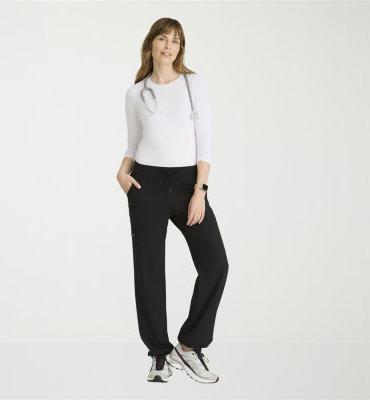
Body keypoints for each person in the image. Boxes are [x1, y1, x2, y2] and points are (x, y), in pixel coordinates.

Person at [116, 18, 229, 384]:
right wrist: (122, 173)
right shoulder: (136, 93)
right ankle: (159, 355)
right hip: (145, 183)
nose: (169, 45)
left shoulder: (195, 85)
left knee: (215, 264)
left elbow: (205, 142)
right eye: (163, 38)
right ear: (151, 43)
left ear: (181, 48)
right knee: (149, 270)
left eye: (176, 40)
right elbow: (134, 142)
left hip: (186, 184)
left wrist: (200, 190)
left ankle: (190, 345)